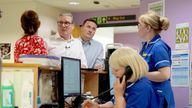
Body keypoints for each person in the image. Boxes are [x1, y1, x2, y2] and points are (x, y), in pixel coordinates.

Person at [82, 47, 158, 108]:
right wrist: (99, 106)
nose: (112, 73)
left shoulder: (142, 88)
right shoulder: (129, 83)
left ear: (130, 70)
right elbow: (114, 102)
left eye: (116, 70)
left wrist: (119, 95)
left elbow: (118, 100)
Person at [138, 11, 175, 108]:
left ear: (148, 27)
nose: (138, 27)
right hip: (150, 93)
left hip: (159, 96)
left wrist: (139, 74)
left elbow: (165, 74)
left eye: (139, 25)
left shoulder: (158, 46)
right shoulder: (146, 46)